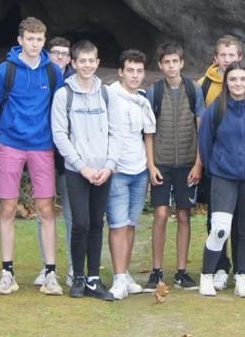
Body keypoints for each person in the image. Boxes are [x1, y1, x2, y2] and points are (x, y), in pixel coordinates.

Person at [0, 17, 64, 296]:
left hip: (42, 146)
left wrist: (52, 141)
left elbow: (60, 110)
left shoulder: (53, 72)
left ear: (44, 41)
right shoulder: (5, 71)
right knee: (7, 208)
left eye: (39, 39)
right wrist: (4, 137)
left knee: (46, 209)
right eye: (30, 38)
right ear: (20, 40)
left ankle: (50, 274)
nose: (34, 43)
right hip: (12, 146)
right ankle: (7, 273)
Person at [197, 63, 245, 298]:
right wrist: (216, 166)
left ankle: (242, 275)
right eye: (233, 79)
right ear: (226, 82)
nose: (238, 83)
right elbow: (205, 143)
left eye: (242, 79)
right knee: (220, 229)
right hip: (223, 176)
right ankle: (207, 275)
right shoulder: (216, 109)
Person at [51, 40, 116, 301]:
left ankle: (93, 279)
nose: (87, 65)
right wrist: (82, 167)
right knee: (80, 223)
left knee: (97, 225)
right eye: (82, 61)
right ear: (73, 63)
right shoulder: (63, 95)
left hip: (103, 171)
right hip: (77, 171)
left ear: (97, 63)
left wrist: (109, 166)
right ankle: (78, 278)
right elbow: (59, 134)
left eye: (92, 61)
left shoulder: (106, 94)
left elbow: (116, 131)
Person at [144, 41, 203, 291]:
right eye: (166, 62)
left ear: (182, 63)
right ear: (160, 65)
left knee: (183, 215)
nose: (171, 66)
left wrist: (199, 163)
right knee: (159, 214)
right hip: (162, 163)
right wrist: (150, 165)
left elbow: (201, 127)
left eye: (175, 61)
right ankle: (156, 271)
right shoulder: (154, 91)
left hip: (187, 163)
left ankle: (181, 271)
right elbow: (148, 131)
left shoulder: (193, 89)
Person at [106, 48, 156, 300]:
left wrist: (150, 166)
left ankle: (125, 274)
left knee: (131, 225)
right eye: (130, 71)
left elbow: (147, 135)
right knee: (117, 224)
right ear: (120, 72)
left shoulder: (143, 100)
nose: (135, 76)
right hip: (116, 170)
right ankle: (117, 279)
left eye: (139, 71)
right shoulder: (109, 95)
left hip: (139, 171)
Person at [197, 35, 245, 287]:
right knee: (217, 220)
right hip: (217, 166)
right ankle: (219, 266)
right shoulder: (203, 85)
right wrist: (204, 162)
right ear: (216, 58)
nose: (228, 60)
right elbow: (201, 130)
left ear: (239, 57)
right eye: (223, 55)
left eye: (232, 55)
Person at [35, 35, 74, 288]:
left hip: (69, 158)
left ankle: (74, 266)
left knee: (72, 214)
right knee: (44, 212)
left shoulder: (74, 83)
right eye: (56, 52)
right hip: (43, 152)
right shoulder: (40, 77)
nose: (60, 57)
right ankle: (47, 266)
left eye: (64, 53)